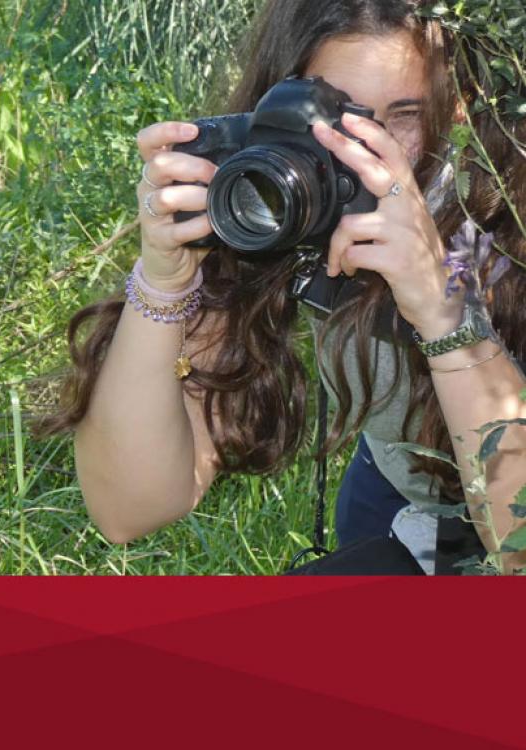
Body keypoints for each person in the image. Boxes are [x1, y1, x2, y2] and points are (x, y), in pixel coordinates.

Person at [36, 0, 526, 574]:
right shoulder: (276, 190)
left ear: (463, 106)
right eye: (333, 120)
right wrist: (164, 285)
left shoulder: (502, 214)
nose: (362, 155)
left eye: (404, 116)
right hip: (407, 487)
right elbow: (128, 507)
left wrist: (446, 311)